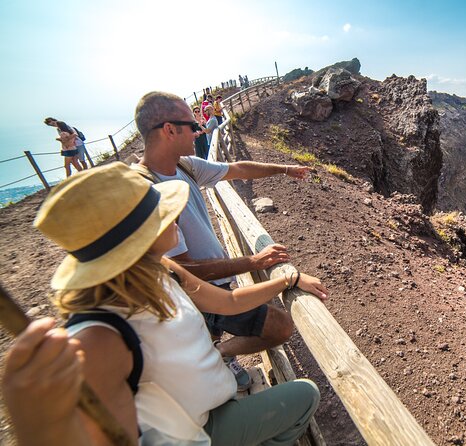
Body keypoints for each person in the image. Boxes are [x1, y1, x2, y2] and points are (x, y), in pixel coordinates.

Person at [2, 162, 325, 445]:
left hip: (209, 404)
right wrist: (41, 430)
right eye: (160, 214)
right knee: (306, 395)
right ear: (134, 239)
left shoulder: (158, 269)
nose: (176, 215)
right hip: (197, 432)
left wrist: (288, 280)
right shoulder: (100, 336)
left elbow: (228, 301)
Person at [132, 91, 312, 391]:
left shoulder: (183, 166)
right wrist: (252, 262)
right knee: (280, 326)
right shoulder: (147, 192)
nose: (200, 129)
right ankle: (219, 357)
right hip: (193, 294)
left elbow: (238, 169)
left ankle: (215, 355)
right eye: (192, 124)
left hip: (210, 287)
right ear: (169, 129)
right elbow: (182, 269)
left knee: (208, 335)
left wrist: (284, 169)